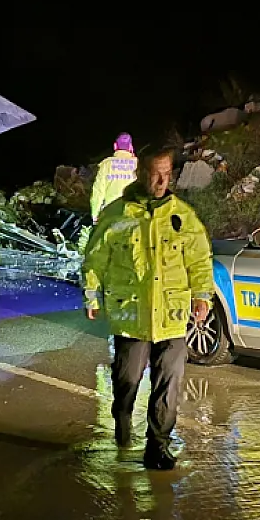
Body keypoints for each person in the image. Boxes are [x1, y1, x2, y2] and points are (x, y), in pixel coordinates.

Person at [81, 148, 214, 470]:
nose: (161, 181)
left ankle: (158, 445)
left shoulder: (183, 216)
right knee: (127, 379)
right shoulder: (117, 214)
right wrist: (91, 294)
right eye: (155, 173)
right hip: (132, 316)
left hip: (171, 316)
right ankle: (122, 413)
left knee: (168, 384)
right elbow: (96, 257)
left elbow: (198, 260)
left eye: (167, 174)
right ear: (141, 172)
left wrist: (202, 297)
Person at [89, 133, 138, 220]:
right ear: (131, 147)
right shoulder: (139, 164)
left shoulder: (106, 164)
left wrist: (95, 214)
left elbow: (98, 191)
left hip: (110, 213)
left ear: (115, 146)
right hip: (133, 213)